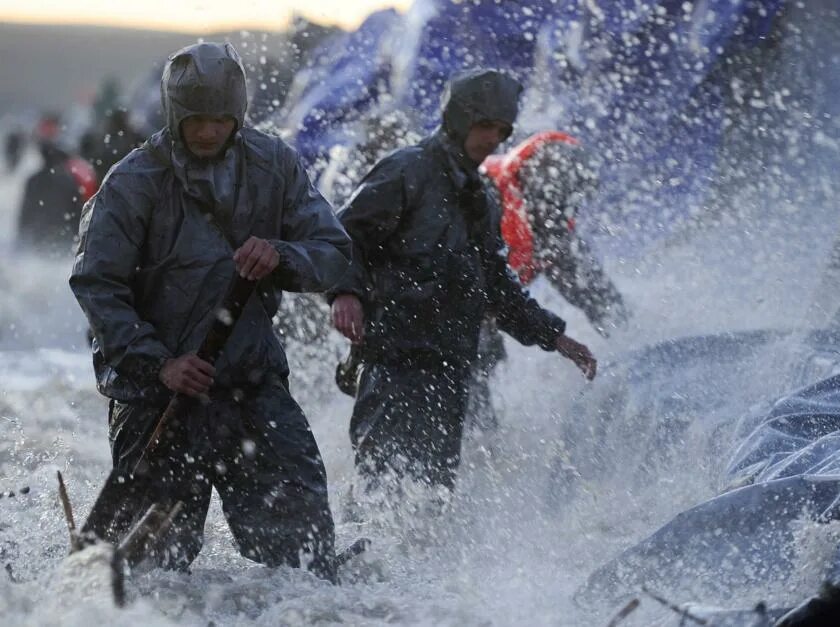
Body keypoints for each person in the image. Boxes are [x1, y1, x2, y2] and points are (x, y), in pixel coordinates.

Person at [69, 43, 352, 580]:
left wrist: (283, 256)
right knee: (151, 569)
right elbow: (96, 285)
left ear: (238, 115)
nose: (207, 132)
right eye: (197, 120)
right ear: (176, 114)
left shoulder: (274, 166)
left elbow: (334, 253)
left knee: (304, 560)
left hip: (250, 385)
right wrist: (158, 363)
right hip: (158, 397)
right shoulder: (132, 182)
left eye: (221, 119)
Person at [329, 68, 597, 492]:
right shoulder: (406, 171)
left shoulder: (483, 199)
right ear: (458, 119)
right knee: (378, 495)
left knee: (432, 500)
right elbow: (338, 238)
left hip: (451, 370)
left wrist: (555, 336)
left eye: (501, 129)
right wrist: (345, 292)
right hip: (394, 363)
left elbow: (497, 285)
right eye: (484, 125)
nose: (493, 138)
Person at [470, 131, 628, 429]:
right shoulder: (479, 193)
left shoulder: (554, 232)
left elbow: (601, 299)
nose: (554, 221)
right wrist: (552, 334)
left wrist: (630, 346)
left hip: (485, 301)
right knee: (473, 353)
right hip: (430, 303)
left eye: (563, 208)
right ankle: (477, 438)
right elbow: (489, 291)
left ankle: (482, 435)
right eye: (549, 208)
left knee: (601, 300)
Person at [18, 113, 97, 253]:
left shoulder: (33, 181)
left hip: (38, 243)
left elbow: (25, 218)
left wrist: (22, 241)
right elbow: (78, 213)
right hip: (63, 243)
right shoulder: (72, 179)